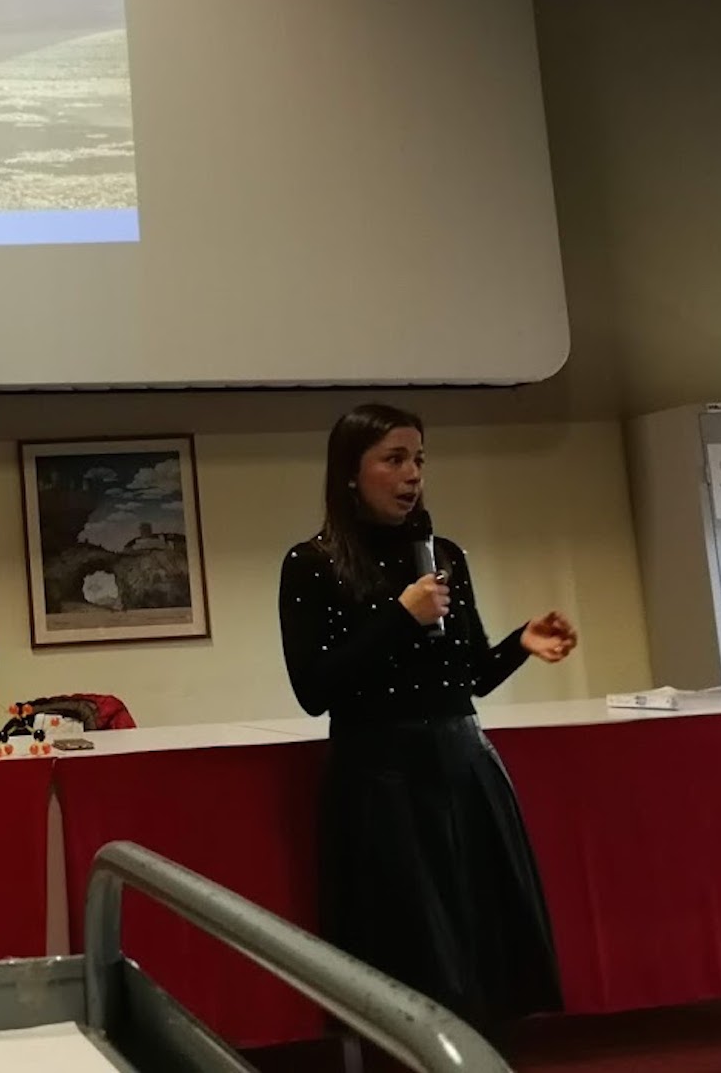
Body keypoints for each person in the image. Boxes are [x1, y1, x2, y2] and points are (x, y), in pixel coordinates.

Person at [278, 403, 577, 1040]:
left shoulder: (442, 555)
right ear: (351, 473)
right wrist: (399, 615)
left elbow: (470, 676)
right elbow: (313, 689)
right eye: (394, 459)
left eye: (418, 459)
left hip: (463, 767)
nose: (412, 474)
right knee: (413, 950)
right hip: (379, 778)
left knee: (480, 944)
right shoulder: (312, 564)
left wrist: (520, 643)